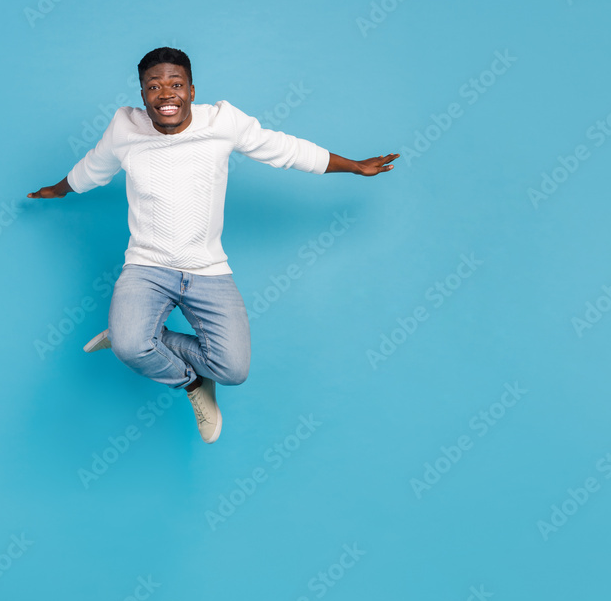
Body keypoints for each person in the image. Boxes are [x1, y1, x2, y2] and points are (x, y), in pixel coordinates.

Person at [28, 47, 397, 444]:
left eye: (175, 84)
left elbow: (287, 150)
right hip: (147, 268)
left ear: (191, 90)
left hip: (208, 271)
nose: (165, 94)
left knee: (233, 370)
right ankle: (183, 379)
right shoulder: (125, 128)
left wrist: (354, 166)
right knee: (132, 347)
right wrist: (58, 189)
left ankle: (127, 330)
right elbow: (92, 169)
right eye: (154, 87)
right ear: (142, 94)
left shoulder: (222, 121)